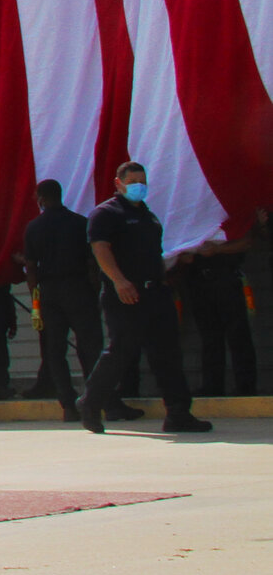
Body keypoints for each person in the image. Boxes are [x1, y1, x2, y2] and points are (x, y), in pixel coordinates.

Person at [82, 161, 212, 434]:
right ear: (119, 184)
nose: (139, 187)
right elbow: (101, 249)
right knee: (121, 351)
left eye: (142, 182)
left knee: (167, 354)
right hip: (126, 293)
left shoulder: (148, 216)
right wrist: (119, 281)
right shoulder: (106, 213)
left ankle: (178, 413)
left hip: (157, 292)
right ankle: (91, 404)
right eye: (132, 183)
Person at [15, 178, 130, 423]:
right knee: (91, 346)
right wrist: (93, 290)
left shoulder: (34, 227)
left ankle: (68, 405)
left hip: (48, 292)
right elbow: (92, 262)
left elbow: (31, 266)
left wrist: (36, 297)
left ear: (41, 199)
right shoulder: (80, 222)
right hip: (79, 288)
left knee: (55, 350)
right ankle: (101, 401)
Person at [173, 222, 259, 399]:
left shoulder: (226, 213)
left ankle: (246, 387)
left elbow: (247, 242)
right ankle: (212, 386)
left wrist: (217, 250)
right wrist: (183, 256)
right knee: (210, 337)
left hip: (227, 278)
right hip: (197, 280)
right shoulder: (191, 217)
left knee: (238, 334)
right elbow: (175, 251)